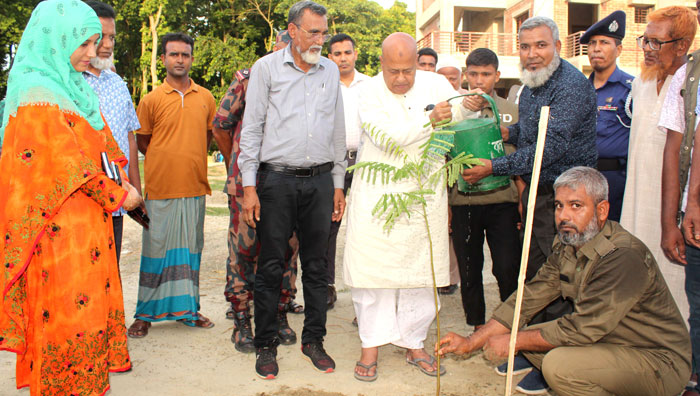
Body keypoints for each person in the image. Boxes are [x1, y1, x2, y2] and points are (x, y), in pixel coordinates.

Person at [438, 166, 691, 396]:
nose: (564, 216)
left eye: (576, 205)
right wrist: (472, 342)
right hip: (611, 344)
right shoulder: (570, 243)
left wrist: (513, 342)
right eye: (559, 205)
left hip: (656, 361)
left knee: (557, 365)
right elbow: (528, 298)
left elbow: (580, 329)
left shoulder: (622, 256)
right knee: (534, 345)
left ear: (601, 210)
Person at [0, 0, 143, 393]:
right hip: (57, 234)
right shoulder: (36, 94)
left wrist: (123, 178)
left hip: (87, 230)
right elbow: (66, 166)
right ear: (56, 39)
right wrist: (120, 195)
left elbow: (99, 145)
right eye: (83, 44)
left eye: (95, 43)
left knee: (87, 316)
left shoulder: (71, 87)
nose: (92, 53)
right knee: (64, 318)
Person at [460, 16, 597, 392]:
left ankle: (556, 361)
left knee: (566, 280)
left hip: (570, 198)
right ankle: (532, 347)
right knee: (539, 273)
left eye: (540, 45)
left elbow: (547, 148)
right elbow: (531, 132)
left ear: (557, 46)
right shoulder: (532, 85)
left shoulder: (569, 86)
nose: (532, 54)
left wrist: (494, 166)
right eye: (525, 46)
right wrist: (508, 132)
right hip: (541, 193)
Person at [343, 32, 475, 382]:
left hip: (424, 194)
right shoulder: (367, 91)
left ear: (418, 62)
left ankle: (414, 342)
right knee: (374, 273)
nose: (401, 79)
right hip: (379, 196)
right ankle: (370, 345)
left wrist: (467, 105)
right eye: (393, 71)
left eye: (408, 70)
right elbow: (384, 136)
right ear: (381, 65)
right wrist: (428, 121)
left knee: (420, 272)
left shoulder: (434, 83)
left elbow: (458, 114)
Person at [238, 0, 346, 379]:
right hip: (276, 181)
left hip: (319, 180)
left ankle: (313, 339)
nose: (320, 38)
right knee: (270, 266)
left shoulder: (330, 71)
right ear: (292, 31)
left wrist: (336, 183)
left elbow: (337, 130)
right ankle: (265, 344)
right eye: (313, 31)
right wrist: (249, 188)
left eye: (323, 31)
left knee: (317, 266)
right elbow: (250, 130)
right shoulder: (266, 69)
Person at [213, 30, 304, 354]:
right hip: (246, 188)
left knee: (285, 254)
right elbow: (221, 124)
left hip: (288, 186)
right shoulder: (248, 80)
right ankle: (242, 323)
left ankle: (279, 316)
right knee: (243, 255)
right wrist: (234, 166)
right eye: (281, 51)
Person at [128, 32, 217, 338]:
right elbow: (142, 142)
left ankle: (188, 310)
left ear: (192, 58)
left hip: (194, 188)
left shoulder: (206, 97)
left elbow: (208, 137)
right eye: (174, 54)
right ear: (164, 58)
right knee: (155, 253)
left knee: (191, 252)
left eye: (185, 54)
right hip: (161, 189)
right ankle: (144, 314)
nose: (180, 59)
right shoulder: (151, 99)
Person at [623, 6, 696, 330]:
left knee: (676, 284)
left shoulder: (688, 89)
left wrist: (674, 219)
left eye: (656, 43)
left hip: (672, 209)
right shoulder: (640, 83)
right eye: (644, 41)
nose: (648, 50)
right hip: (636, 202)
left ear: (681, 45)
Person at [450, 48, 520, 331]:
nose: (480, 81)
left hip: (502, 201)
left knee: (506, 268)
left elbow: (519, 154)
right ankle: (477, 325)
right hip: (463, 202)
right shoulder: (453, 110)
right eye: (474, 74)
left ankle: (506, 325)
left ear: (497, 76)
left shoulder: (511, 112)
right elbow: (441, 155)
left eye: (486, 74)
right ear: (466, 75)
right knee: (469, 269)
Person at [658, 5, 700, 395]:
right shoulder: (687, 77)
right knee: (697, 306)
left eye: (659, 41)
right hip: (695, 217)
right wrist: (669, 221)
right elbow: (674, 150)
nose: (650, 48)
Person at [83, 0, 142, 264]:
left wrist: (136, 192)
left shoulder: (118, 83)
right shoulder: (68, 84)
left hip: (117, 201)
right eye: (100, 38)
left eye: (112, 38)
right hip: (83, 203)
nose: (107, 45)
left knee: (110, 275)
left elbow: (129, 138)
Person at [325, 33, 370, 309]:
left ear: (355, 54)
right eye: (337, 53)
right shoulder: (323, 84)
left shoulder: (372, 85)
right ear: (329, 57)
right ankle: (326, 286)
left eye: (347, 52)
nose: (342, 58)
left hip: (367, 162)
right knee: (329, 225)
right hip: (334, 164)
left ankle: (366, 290)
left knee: (365, 225)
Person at [580, 10, 633, 223]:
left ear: (618, 49)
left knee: (614, 243)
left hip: (616, 181)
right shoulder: (579, 90)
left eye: (604, 42)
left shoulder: (631, 89)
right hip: (583, 178)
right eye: (592, 43)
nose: (596, 49)